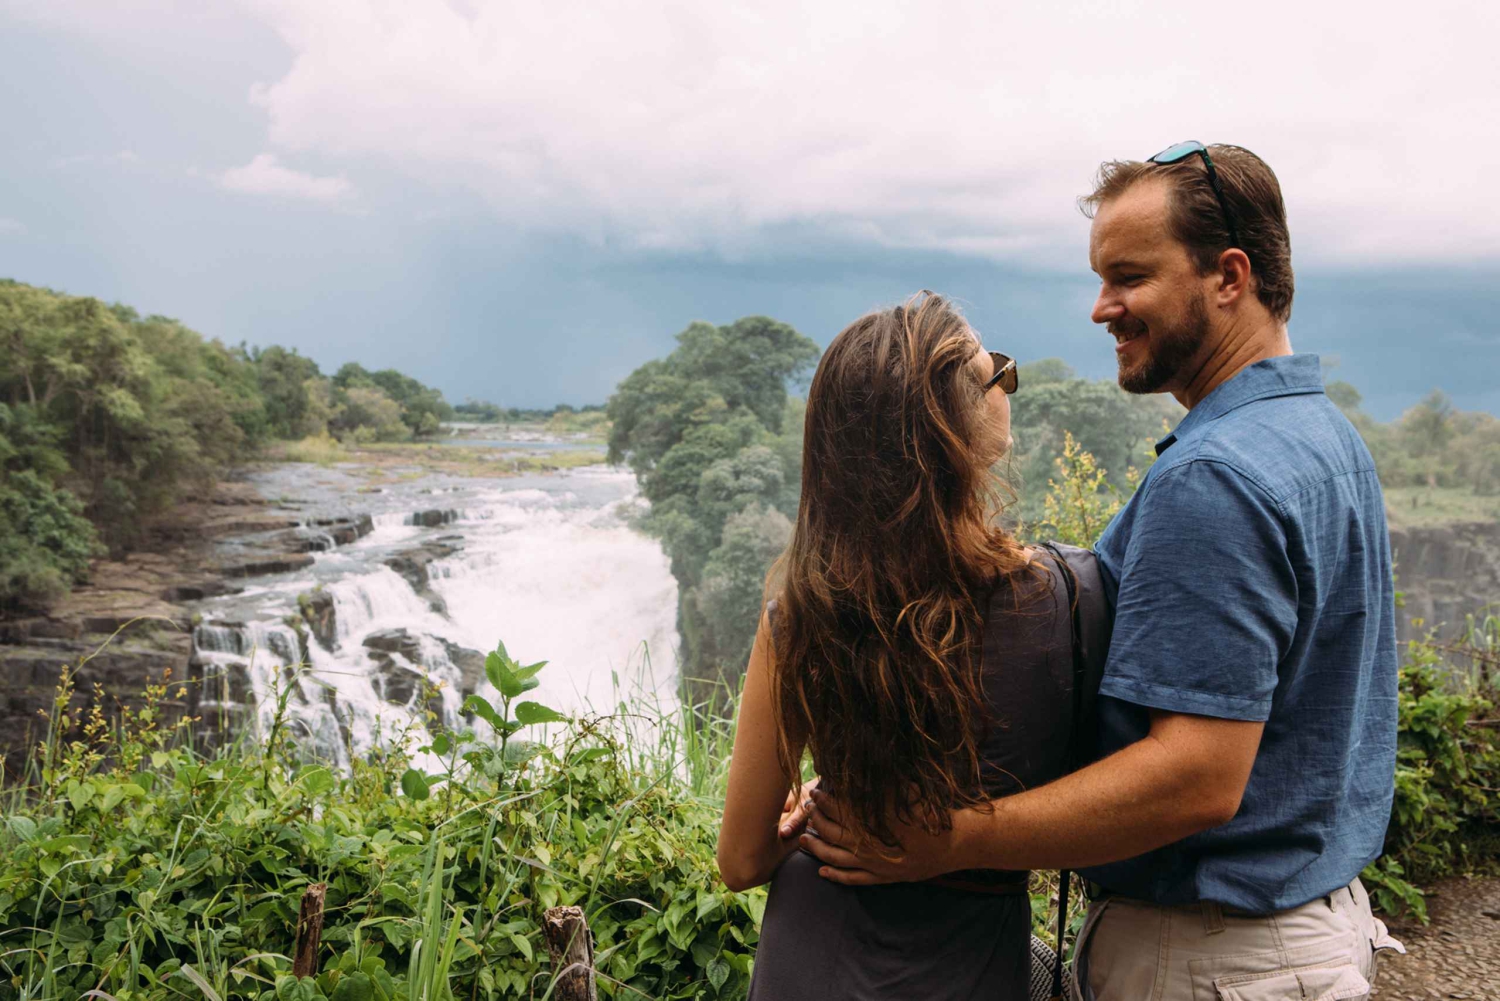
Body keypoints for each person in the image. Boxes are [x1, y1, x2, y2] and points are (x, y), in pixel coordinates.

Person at [797, 143, 1406, 999]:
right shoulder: (1325, 438)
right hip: (1305, 927)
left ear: (1228, 276)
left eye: (1128, 277)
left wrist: (951, 838)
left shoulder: (1214, 478)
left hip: (1211, 959)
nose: (1100, 308)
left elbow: (1194, 775)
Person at [717, 292, 1083, 1000]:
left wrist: (808, 817)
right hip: (968, 965)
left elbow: (739, 859)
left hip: (810, 958)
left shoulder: (799, 618)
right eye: (996, 371)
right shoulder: (1057, 601)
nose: (1007, 383)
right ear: (955, 425)